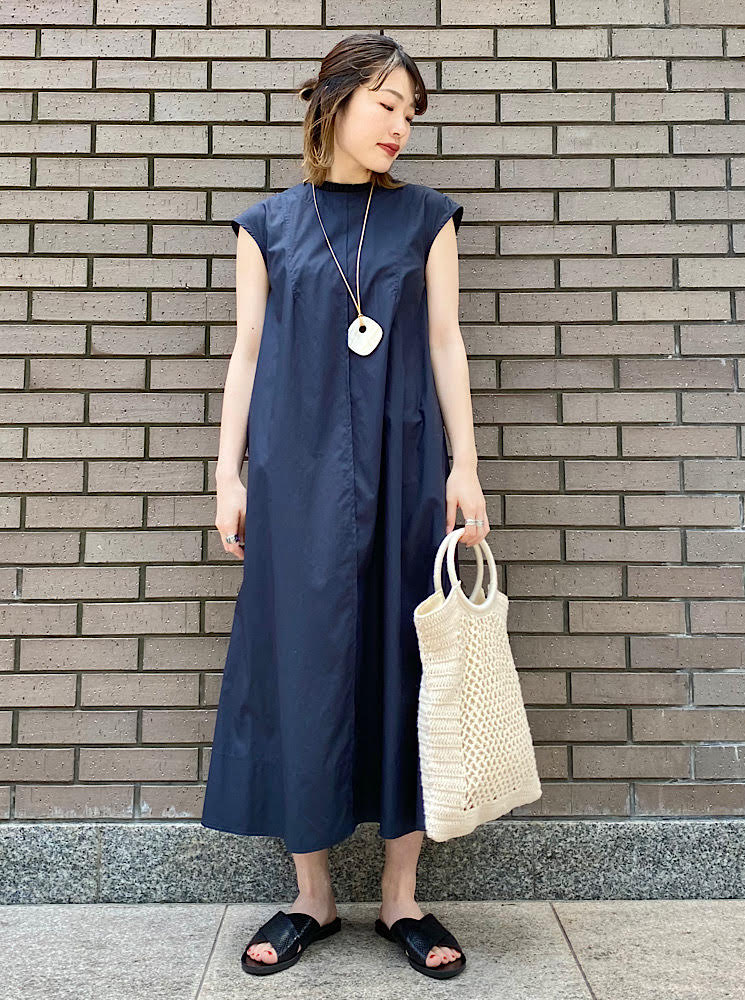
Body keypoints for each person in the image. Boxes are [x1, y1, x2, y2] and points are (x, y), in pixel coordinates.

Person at [200, 32, 489, 981]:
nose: (400, 126)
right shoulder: (267, 226)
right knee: (303, 664)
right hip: (295, 473)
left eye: (410, 112)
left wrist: (465, 466)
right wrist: (229, 475)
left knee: (409, 662)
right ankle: (312, 898)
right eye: (387, 104)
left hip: (407, 467)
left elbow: (445, 343)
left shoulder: (427, 219)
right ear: (335, 101)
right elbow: (247, 352)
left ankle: (402, 898)